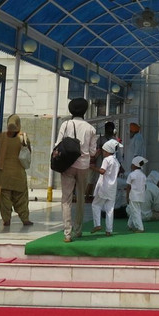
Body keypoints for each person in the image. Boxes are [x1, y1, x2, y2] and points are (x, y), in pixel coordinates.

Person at [56, 98, 98, 243]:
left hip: (67, 165)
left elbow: (58, 144)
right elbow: (93, 152)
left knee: (66, 199)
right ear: (85, 111)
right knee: (81, 198)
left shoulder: (66, 124)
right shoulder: (91, 128)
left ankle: (67, 233)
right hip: (83, 166)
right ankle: (78, 230)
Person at [0, 113, 33, 229]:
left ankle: (6, 220)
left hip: (3, 174)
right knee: (21, 198)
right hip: (18, 174)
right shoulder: (23, 137)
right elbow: (28, 152)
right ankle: (25, 219)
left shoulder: (1, 137)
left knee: (4, 199)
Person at [91, 138, 123, 236]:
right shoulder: (116, 161)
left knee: (95, 205)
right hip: (112, 188)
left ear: (108, 151)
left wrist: (92, 167)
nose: (103, 153)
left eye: (104, 151)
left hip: (104, 186)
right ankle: (109, 230)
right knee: (110, 209)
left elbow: (102, 171)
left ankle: (97, 224)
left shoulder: (106, 160)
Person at [126, 155, 148, 232]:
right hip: (141, 196)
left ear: (134, 165)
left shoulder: (131, 175)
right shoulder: (143, 175)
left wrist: (127, 196)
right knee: (134, 210)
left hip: (133, 196)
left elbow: (128, 187)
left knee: (136, 211)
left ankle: (140, 228)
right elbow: (145, 186)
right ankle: (130, 225)